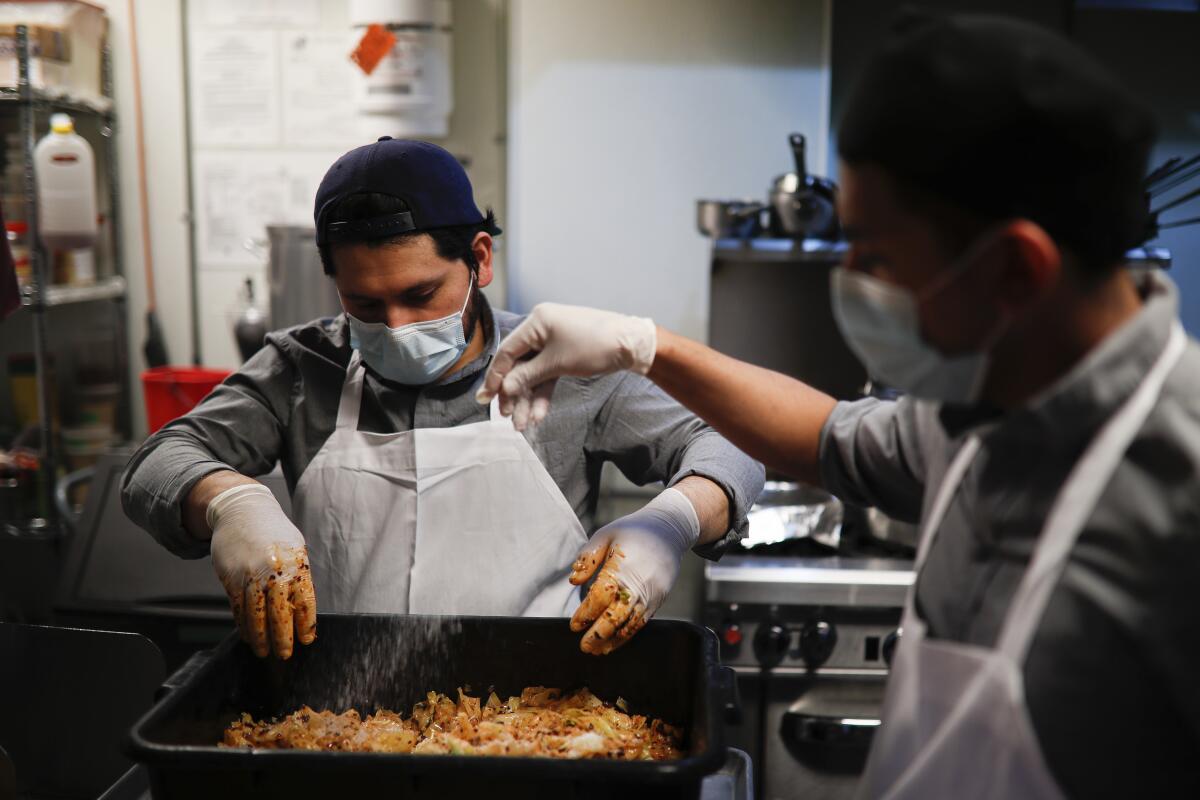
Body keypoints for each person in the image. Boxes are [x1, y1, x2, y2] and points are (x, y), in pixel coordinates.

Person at [476, 13, 1200, 800]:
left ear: (1018, 271)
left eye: (876, 258)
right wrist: (645, 346)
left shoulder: (1177, 491)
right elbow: (825, 438)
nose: (849, 283)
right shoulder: (980, 407)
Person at [121, 138, 763, 662]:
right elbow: (158, 461)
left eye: (421, 295)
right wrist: (232, 502)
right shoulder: (301, 368)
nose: (396, 325)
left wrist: (668, 525)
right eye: (364, 304)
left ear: (479, 259)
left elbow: (729, 445)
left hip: (533, 720)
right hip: (343, 720)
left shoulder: (562, 364)